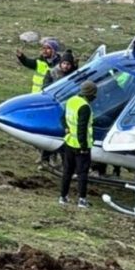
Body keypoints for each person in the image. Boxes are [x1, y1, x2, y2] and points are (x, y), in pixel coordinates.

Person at [59, 80, 96, 208]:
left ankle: (63, 197)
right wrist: (84, 147)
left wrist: (66, 128)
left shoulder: (72, 100)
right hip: (80, 146)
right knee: (82, 173)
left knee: (67, 171)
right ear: (90, 94)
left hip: (69, 142)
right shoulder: (85, 107)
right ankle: (82, 200)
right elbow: (82, 129)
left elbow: (62, 118)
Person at [38, 49, 77, 165]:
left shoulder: (74, 75)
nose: (65, 66)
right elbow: (45, 87)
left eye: (68, 64)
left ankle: (63, 160)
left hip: (67, 108)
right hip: (53, 106)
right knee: (50, 133)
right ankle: (45, 159)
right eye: (64, 63)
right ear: (60, 63)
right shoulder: (52, 73)